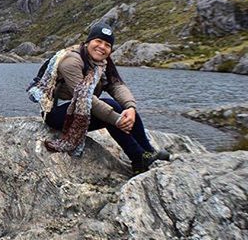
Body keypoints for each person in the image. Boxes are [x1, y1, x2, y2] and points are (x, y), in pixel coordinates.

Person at [28, 22, 169, 175]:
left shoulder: (102, 63)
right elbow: (85, 97)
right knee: (111, 107)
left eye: (107, 45)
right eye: (98, 41)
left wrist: (131, 108)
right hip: (55, 114)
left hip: (79, 108)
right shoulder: (71, 61)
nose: (102, 47)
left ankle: (147, 152)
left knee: (121, 108)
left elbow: (116, 85)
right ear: (88, 42)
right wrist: (117, 120)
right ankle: (138, 157)